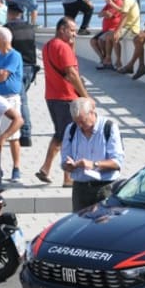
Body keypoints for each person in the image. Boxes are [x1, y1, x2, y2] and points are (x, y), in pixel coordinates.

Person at [37, 17, 89, 186]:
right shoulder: (63, 47)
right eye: (72, 30)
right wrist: (85, 96)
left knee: (60, 134)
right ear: (62, 29)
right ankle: (68, 178)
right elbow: (72, 74)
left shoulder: (48, 46)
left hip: (51, 95)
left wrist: (71, 46)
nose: (75, 33)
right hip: (66, 97)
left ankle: (45, 168)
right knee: (70, 137)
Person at [61, 97, 124, 211]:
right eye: (77, 122)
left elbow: (117, 162)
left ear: (92, 113)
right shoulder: (71, 129)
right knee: (79, 226)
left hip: (104, 187)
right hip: (80, 188)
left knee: (104, 226)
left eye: (83, 121)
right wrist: (68, 165)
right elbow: (64, 159)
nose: (80, 125)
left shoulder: (108, 127)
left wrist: (94, 164)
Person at [0, 27, 24, 181]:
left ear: (1, 40)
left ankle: (16, 168)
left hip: (10, 99)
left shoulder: (14, 56)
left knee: (13, 135)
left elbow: (3, 77)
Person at [4, 2, 37, 148]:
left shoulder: (7, 29)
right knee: (20, 99)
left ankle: (25, 134)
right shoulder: (30, 27)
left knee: (22, 101)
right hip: (31, 68)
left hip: (16, 69)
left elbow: (4, 49)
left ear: (10, 13)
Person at [110, 0, 141, 71]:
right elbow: (122, 11)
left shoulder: (127, 1)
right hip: (132, 26)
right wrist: (111, 3)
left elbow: (124, 17)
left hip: (132, 28)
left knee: (113, 36)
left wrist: (117, 31)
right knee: (111, 35)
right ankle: (115, 61)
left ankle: (118, 61)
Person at [92, 0, 122, 70]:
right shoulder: (109, 4)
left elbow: (109, 15)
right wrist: (105, 13)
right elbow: (99, 14)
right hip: (105, 29)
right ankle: (104, 60)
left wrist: (105, 13)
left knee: (101, 40)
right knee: (93, 41)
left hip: (113, 28)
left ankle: (107, 61)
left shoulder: (118, 3)